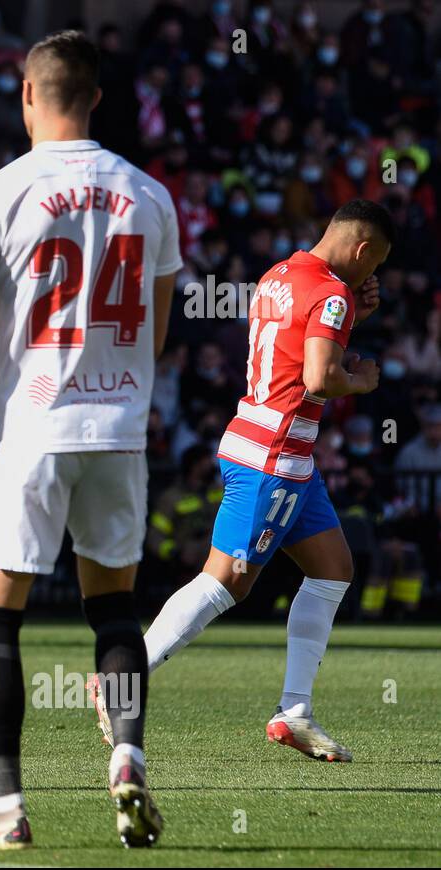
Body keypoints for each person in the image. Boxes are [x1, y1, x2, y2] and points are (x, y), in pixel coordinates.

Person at [0, 30, 181, 850]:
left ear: (28, 94)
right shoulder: (151, 195)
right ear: (97, 97)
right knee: (113, 611)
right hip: (118, 430)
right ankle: (127, 755)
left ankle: (4, 810)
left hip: (30, 430)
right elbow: (159, 331)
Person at [113, 199, 393, 763]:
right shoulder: (333, 293)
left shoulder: (279, 274)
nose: (373, 276)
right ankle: (121, 679)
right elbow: (317, 377)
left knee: (333, 568)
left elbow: (293, 348)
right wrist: (361, 381)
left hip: (276, 449)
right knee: (228, 580)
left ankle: (294, 711)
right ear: (363, 250)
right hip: (276, 456)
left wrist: (350, 318)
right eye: (375, 263)